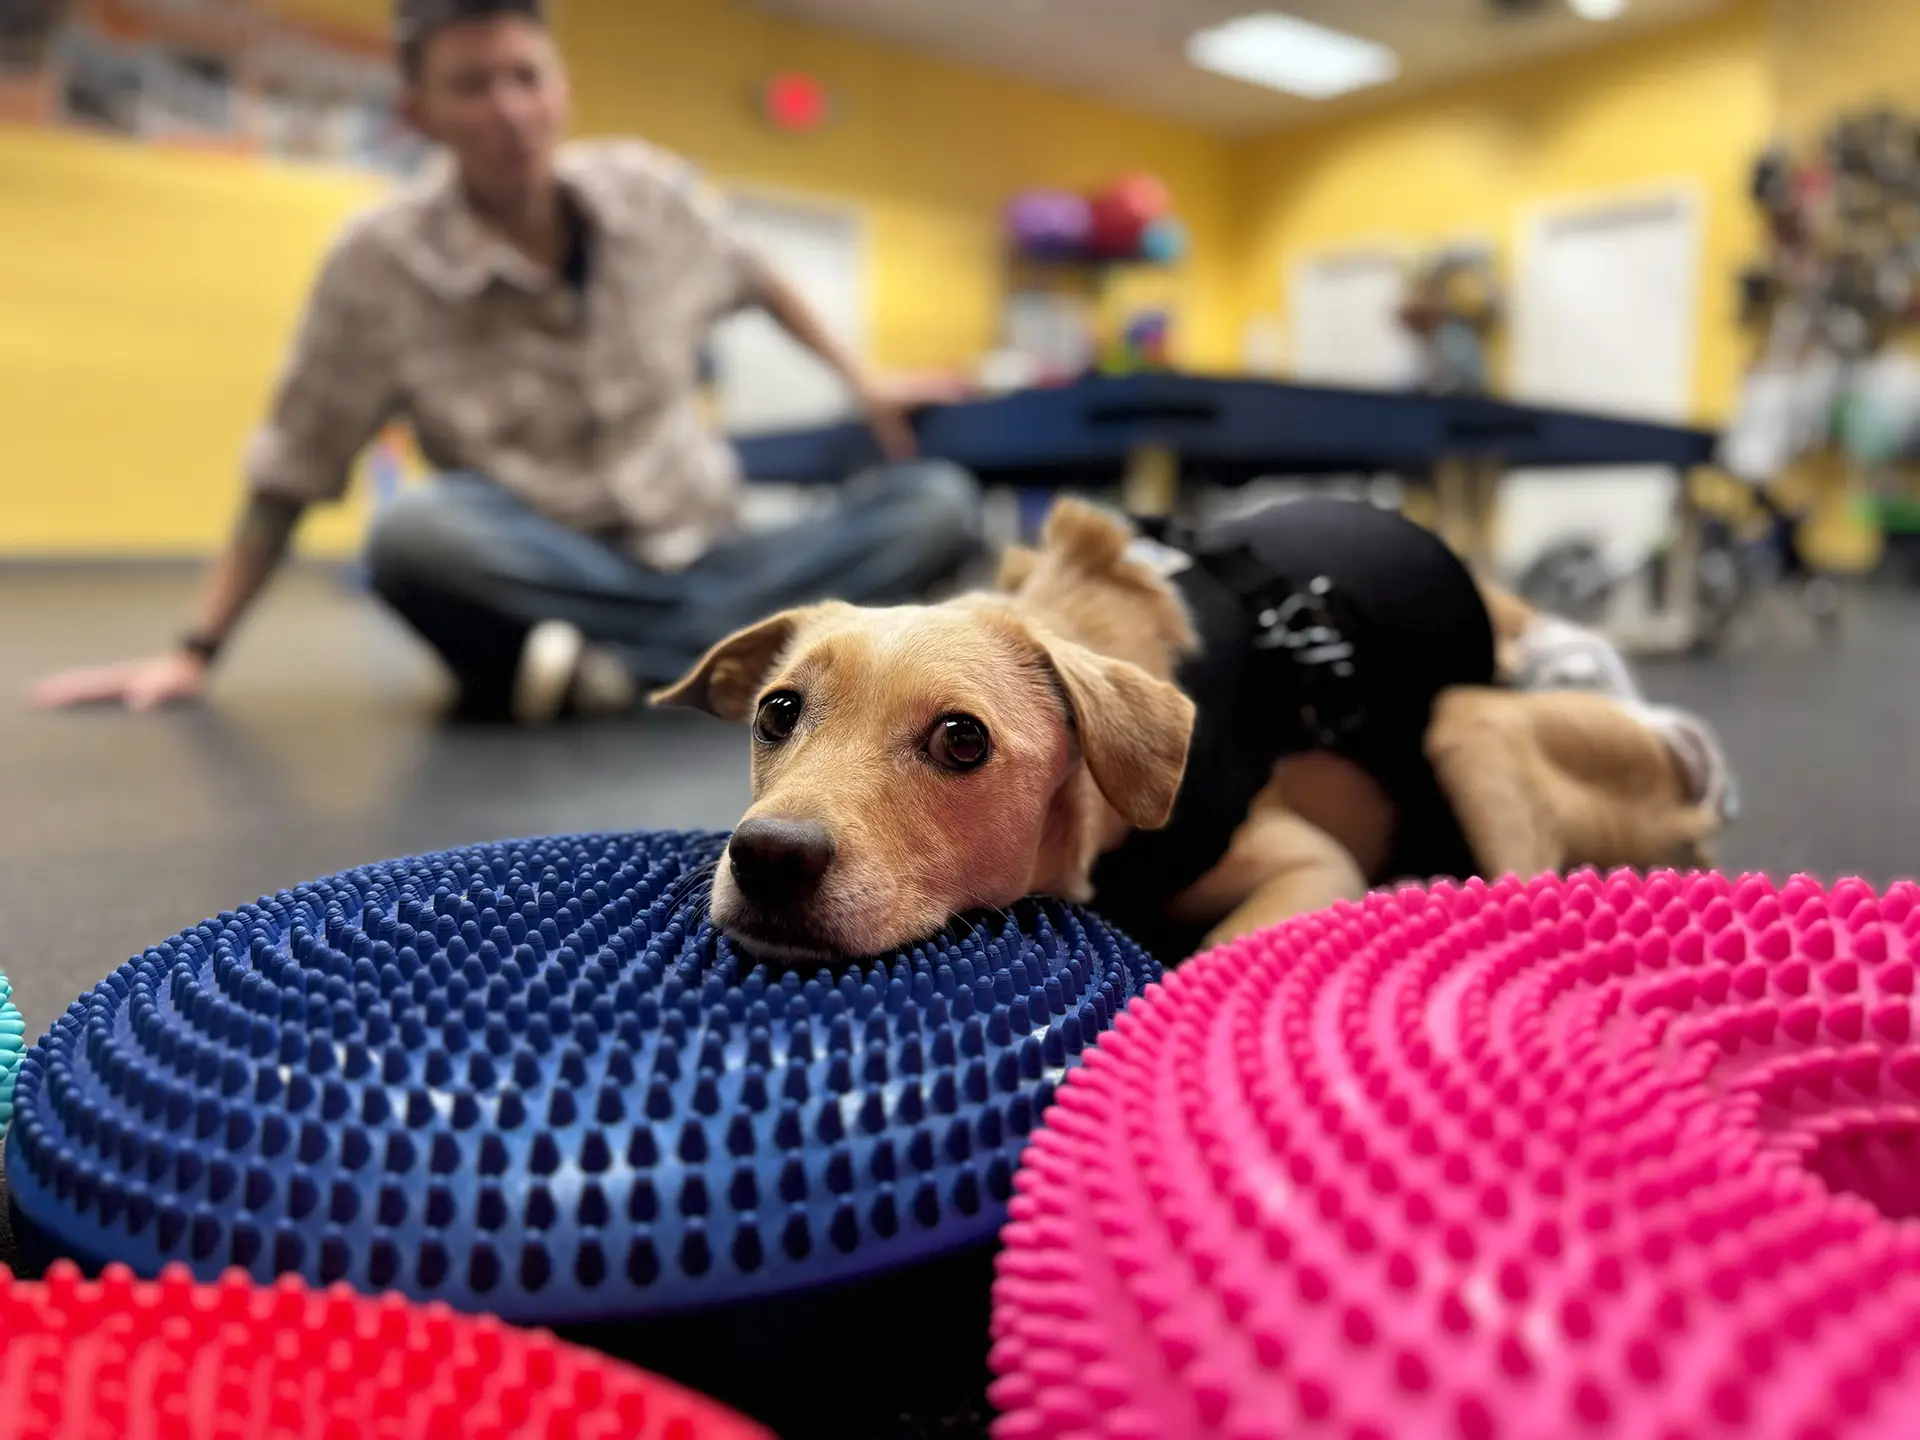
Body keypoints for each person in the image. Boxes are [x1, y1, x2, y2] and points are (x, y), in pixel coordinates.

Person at [32, 0, 981, 723]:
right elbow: (290, 471)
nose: (511, 110)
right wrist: (195, 650)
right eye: (473, 86)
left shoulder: (649, 195)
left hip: (715, 549)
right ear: (421, 113)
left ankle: (624, 673)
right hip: (551, 569)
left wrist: (864, 378)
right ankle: (733, 662)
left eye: (527, 76)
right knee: (415, 534)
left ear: (563, 87)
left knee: (934, 503)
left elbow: (758, 274)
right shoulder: (374, 265)